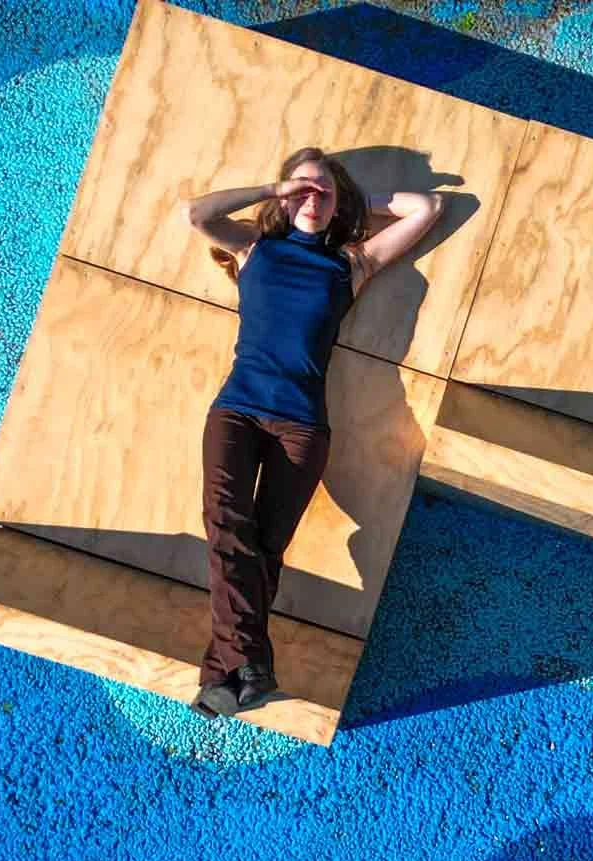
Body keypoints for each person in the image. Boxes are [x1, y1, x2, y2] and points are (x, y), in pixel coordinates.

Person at [180, 147, 446, 719]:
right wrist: (273, 191)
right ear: (283, 194)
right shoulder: (254, 249)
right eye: (302, 186)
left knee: (265, 548)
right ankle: (246, 668)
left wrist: (344, 199)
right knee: (226, 525)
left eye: (322, 190)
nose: (312, 196)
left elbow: (427, 209)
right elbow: (197, 214)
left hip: (302, 426)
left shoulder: (350, 264)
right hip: (237, 411)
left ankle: (224, 677)